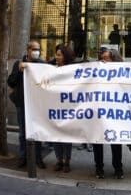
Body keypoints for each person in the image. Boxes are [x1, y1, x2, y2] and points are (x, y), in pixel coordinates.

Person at [7, 40, 47, 169]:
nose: (37, 52)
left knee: (38, 131)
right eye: (34, 49)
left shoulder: (41, 64)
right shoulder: (19, 64)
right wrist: (19, 71)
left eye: (38, 49)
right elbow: (11, 82)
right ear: (28, 50)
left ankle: (38, 157)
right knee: (23, 133)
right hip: (22, 103)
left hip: (37, 104)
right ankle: (23, 157)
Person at [93, 48, 124, 179]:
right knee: (97, 141)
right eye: (102, 58)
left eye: (106, 58)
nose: (103, 60)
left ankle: (118, 168)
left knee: (116, 141)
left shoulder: (122, 74)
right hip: (98, 112)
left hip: (114, 113)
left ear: (114, 60)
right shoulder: (95, 72)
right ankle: (99, 168)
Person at [53, 44, 76, 172]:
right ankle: (59, 160)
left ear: (65, 57)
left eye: (59, 55)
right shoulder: (51, 69)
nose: (56, 57)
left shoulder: (71, 70)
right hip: (55, 107)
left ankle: (67, 161)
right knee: (56, 134)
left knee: (67, 135)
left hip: (68, 108)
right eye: (56, 54)